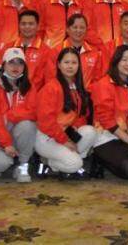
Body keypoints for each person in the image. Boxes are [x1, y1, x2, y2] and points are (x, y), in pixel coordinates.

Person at [91, 45, 128, 179]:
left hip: (125, 132)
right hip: (105, 136)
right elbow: (105, 118)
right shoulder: (104, 84)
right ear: (116, 61)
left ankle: (118, 158)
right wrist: (126, 138)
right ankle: (99, 158)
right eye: (124, 60)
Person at [35, 48, 97, 179]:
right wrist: (65, 141)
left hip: (65, 133)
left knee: (90, 131)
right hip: (47, 137)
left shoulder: (76, 87)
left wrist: (72, 134)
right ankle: (50, 163)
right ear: (59, 65)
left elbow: (78, 117)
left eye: (74, 63)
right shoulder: (51, 87)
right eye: (66, 62)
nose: (70, 66)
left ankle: (65, 162)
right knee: (75, 163)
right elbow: (46, 122)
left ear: (79, 65)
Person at [0, 48, 37, 182]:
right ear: (3, 64)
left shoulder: (29, 86)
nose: (16, 67)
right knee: (0, 165)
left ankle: (22, 165)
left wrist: (11, 115)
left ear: (25, 67)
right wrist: (6, 143)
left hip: (14, 129)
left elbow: (34, 112)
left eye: (20, 63)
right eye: (11, 62)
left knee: (28, 126)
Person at [45, 14, 103, 88]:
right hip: (62, 93)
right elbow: (50, 78)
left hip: (87, 94)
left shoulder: (94, 53)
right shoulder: (56, 51)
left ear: (86, 30)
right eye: (75, 27)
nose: (78, 30)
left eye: (82, 27)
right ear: (67, 29)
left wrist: (87, 92)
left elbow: (97, 80)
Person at [0, 10, 50, 91]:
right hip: (8, 92)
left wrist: (26, 91)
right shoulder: (8, 48)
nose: (27, 27)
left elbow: (45, 79)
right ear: (18, 25)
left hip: (34, 94)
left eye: (31, 24)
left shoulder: (46, 51)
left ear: (38, 26)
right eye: (23, 24)